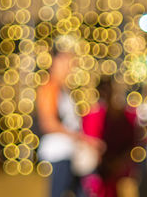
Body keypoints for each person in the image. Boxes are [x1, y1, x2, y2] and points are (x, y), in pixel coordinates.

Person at [37, 49, 104, 197]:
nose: (69, 68)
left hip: (70, 151)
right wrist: (81, 138)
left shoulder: (64, 89)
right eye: (65, 63)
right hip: (58, 152)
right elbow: (48, 123)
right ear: (54, 64)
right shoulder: (50, 87)